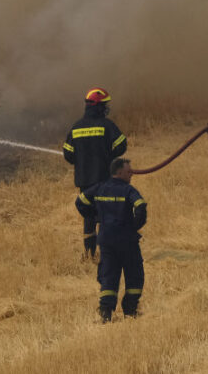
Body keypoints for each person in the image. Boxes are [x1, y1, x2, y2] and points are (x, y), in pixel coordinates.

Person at [75, 158, 147, 322]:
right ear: (119, 172)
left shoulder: (100, 188)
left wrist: (94, 217)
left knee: (109, 275)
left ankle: (106, 312)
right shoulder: (128, 190)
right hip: (126, 239)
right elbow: (141, 206)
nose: (132, 174)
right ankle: (130, 310)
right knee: (135, 274)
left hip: (106, 239)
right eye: (129, 171)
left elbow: (80, 201)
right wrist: (134, 225)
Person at [63, 87, 128, 259]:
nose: (106, 108)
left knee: (89, 217)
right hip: (104, 179)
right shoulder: (107, 126)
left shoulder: (76, 128)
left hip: (84, 181)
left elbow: (68, 154)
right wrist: (109, 156)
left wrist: (82, 162)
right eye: (105, 105)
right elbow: (122, 145)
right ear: (99, 107)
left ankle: (90, 254)